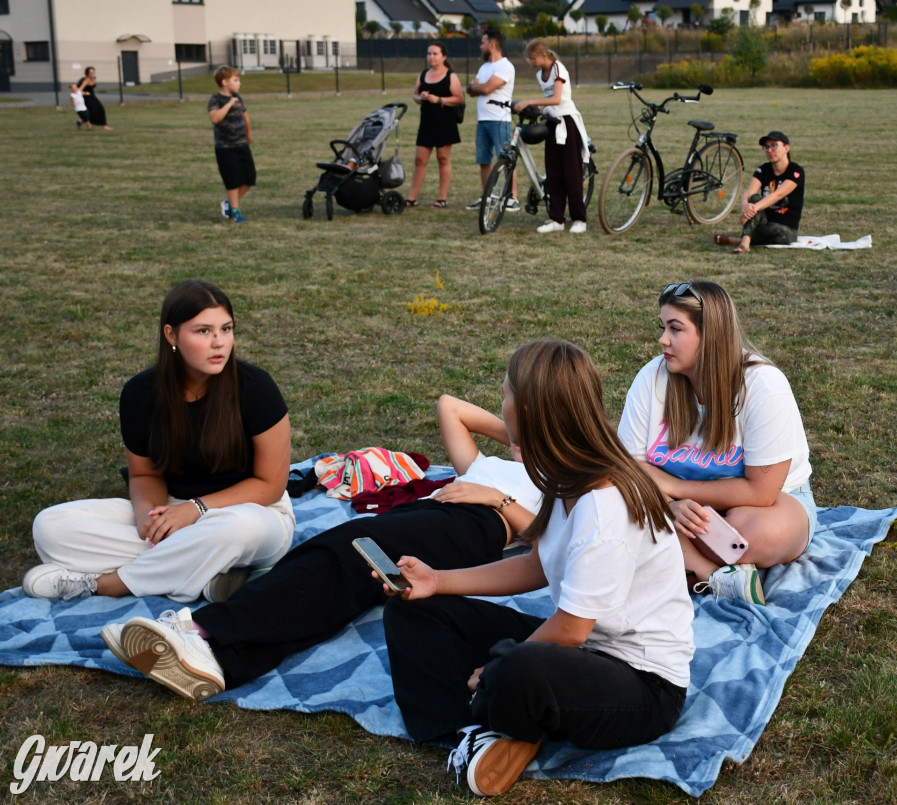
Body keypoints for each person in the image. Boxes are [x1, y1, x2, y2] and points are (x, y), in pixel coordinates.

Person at [382, 340, 694, 798]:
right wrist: (438, 581)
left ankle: (497, 712)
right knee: (414, 611)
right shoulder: (564, 473)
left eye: (505, 394)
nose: (501, 404)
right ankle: (475, 730)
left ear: (526, 410)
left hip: (644, 687)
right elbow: (537, 563)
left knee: (516, 667)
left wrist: (496, 667)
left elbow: (570, 629)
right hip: (582, 653)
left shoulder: (604, 505)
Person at [100, 393, 543, 701]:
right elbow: (450, 407)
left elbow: (550, 540)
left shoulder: (557, 481)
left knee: (340, 557)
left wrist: (498, 498)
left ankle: (204, 630)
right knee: (336, 572)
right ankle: (225, 660)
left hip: (476, 526)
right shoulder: (485, 463)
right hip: (428, 515)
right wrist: (520, 440)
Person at [23, 279, 294, 605]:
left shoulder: (256, 388)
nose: (219, 342)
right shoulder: (140, 394)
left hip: (252, 514)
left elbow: (270, 485)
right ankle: (205, 573)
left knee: (235, 530)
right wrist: (148, 517)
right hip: (173, 508)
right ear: (171, 335)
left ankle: (105, 585)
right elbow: (143, 474)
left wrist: (196, 510)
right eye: (203, 331)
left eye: (226, 329)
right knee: (50, 527)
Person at [617, 281, 816, 605]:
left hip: (768, 504)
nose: (662, 340)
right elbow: (629, 468)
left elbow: (761, 492)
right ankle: (710, 573)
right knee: (602, 502)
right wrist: (668, 506)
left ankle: (673, 555)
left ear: (710, 334)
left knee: (742, 535)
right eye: (663, 327)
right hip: (672, 505)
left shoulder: (764, 385)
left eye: (675, 329)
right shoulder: (652, 378)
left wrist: (675, 489)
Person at [514, 40, 590, 235]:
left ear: (543, 56)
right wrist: (537, 110)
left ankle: (579, 218)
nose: (530, 62)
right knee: (553, 172)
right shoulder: (540, 74)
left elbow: (556, 99)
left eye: (532, 59)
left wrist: (529, 101)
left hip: (567, 122)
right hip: (552, 122)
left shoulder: (558, 68)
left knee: (571, 173)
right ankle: (556, 218)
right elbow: (548, 102)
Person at [714, 130, 804, 253]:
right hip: (763, 222)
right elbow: (749, 193)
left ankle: (736, 240)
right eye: (766, 147)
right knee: (754, 198)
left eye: (774, 145)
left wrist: (754, 208)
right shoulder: (763, 169)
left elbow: (779, 195)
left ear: (786, 148)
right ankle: (745, 241)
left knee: (776, 230)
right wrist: (745, 206)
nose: (769, 150)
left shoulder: (796, 171)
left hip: (786, 228)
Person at [407, 41, 464, 209]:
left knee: (443, 158)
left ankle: (441, 198)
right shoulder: (423, 74)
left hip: (445, 122)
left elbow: (459, 99)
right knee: (420, 159)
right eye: (429, 53)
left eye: (435, 54)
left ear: (443, 57)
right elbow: (415, 95)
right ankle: (411, 198)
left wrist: (439, 100)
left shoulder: (450, 76)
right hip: (427, 122)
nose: (431, 57)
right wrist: (421, 97)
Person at [465, 29, 517, 212]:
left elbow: (486, 88)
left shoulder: (505, 66)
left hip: (499, 120)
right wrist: (475, 87)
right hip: (483, 120)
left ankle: (512, 198)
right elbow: (471, 90)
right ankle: (486, 196)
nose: (480, 46)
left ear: (492, 45)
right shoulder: (484, 67)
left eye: (483, 43)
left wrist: (476, 86)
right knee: (484, 160)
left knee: (506, 159)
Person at [207, 66, 255, 224]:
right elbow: (215, 118)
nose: (239, 83)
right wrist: (228, 104)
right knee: (233, 180)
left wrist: (248, 135)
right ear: (224, 82)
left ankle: (228, 204)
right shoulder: (216, 99)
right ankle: (235, 212)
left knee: (249, 178)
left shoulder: (238, 97)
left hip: (241, 145)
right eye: (236, 80)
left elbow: (245, 117)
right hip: (225, 148)